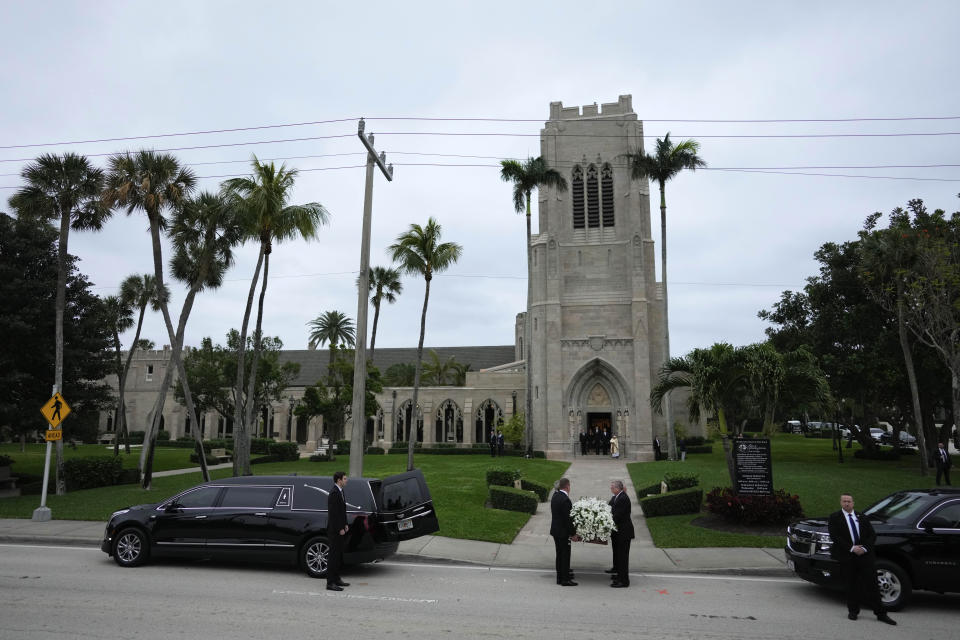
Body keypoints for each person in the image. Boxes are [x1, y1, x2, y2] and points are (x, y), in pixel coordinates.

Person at [826, 493, 896, 625]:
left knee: (872, 584)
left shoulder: (862, 517)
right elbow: (835, 537)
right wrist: (852, 548)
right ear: (841, 503)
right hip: (848, 556)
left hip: (865, 556)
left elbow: (872, 535)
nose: (847, 503)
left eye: (849, 501)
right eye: (844, 501)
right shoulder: (834, 518)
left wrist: (864, 548)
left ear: (853, 503)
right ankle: (853, 611)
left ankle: (881, 614)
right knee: (851, 584)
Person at [550, 477, 579, 585]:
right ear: (567, 486)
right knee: (565, 555)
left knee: (559, 555)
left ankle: (560, 577)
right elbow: (568, 520)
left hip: (555, 531)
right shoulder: (565, 500)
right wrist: (573, 534)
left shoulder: (555, 496)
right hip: (563, 532)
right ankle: (565, 579)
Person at [605, 480, 635, 588]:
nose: (611, 489)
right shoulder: (617, 497)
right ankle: (619, 576)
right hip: (619, 532)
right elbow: (610, 508)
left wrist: (605, 523)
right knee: (619, 556)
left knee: (623, 558)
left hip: (624, 533)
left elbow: (617, 516)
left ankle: (624, 581)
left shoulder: (622, 499)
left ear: (618, 488)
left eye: (612, 487)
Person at [326, 471, 351, 591]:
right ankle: (330, 582)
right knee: (333, 556)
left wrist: (345, 524)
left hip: (341, 528)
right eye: (345, 479)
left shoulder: (341, 491)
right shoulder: (334, 493)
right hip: (335, 531)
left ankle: (336, 579)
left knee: (338, 555)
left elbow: (342, 511)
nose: (347, 480)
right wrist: (339, 528)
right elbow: (333, 514)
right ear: (338, 480)